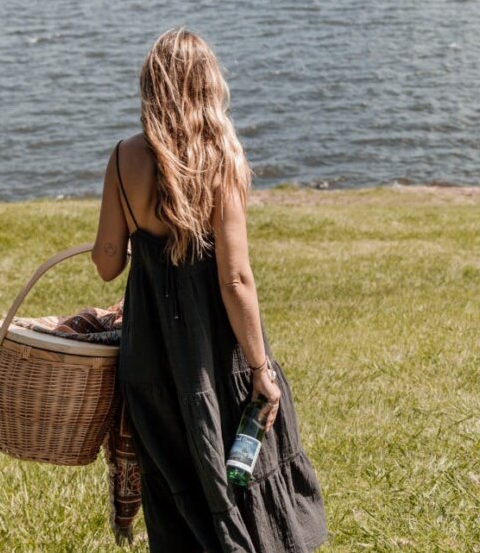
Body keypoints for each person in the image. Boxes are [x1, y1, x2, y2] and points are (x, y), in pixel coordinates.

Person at [91, 28, 327, 552]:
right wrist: (262, 369)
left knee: (176, 484)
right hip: (217, 355)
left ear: (152, 86)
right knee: (244, 467)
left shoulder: (122, 158)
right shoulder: (220, 157)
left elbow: (107, 264)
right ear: (206, 85)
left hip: (152, 355)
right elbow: (235, 278)